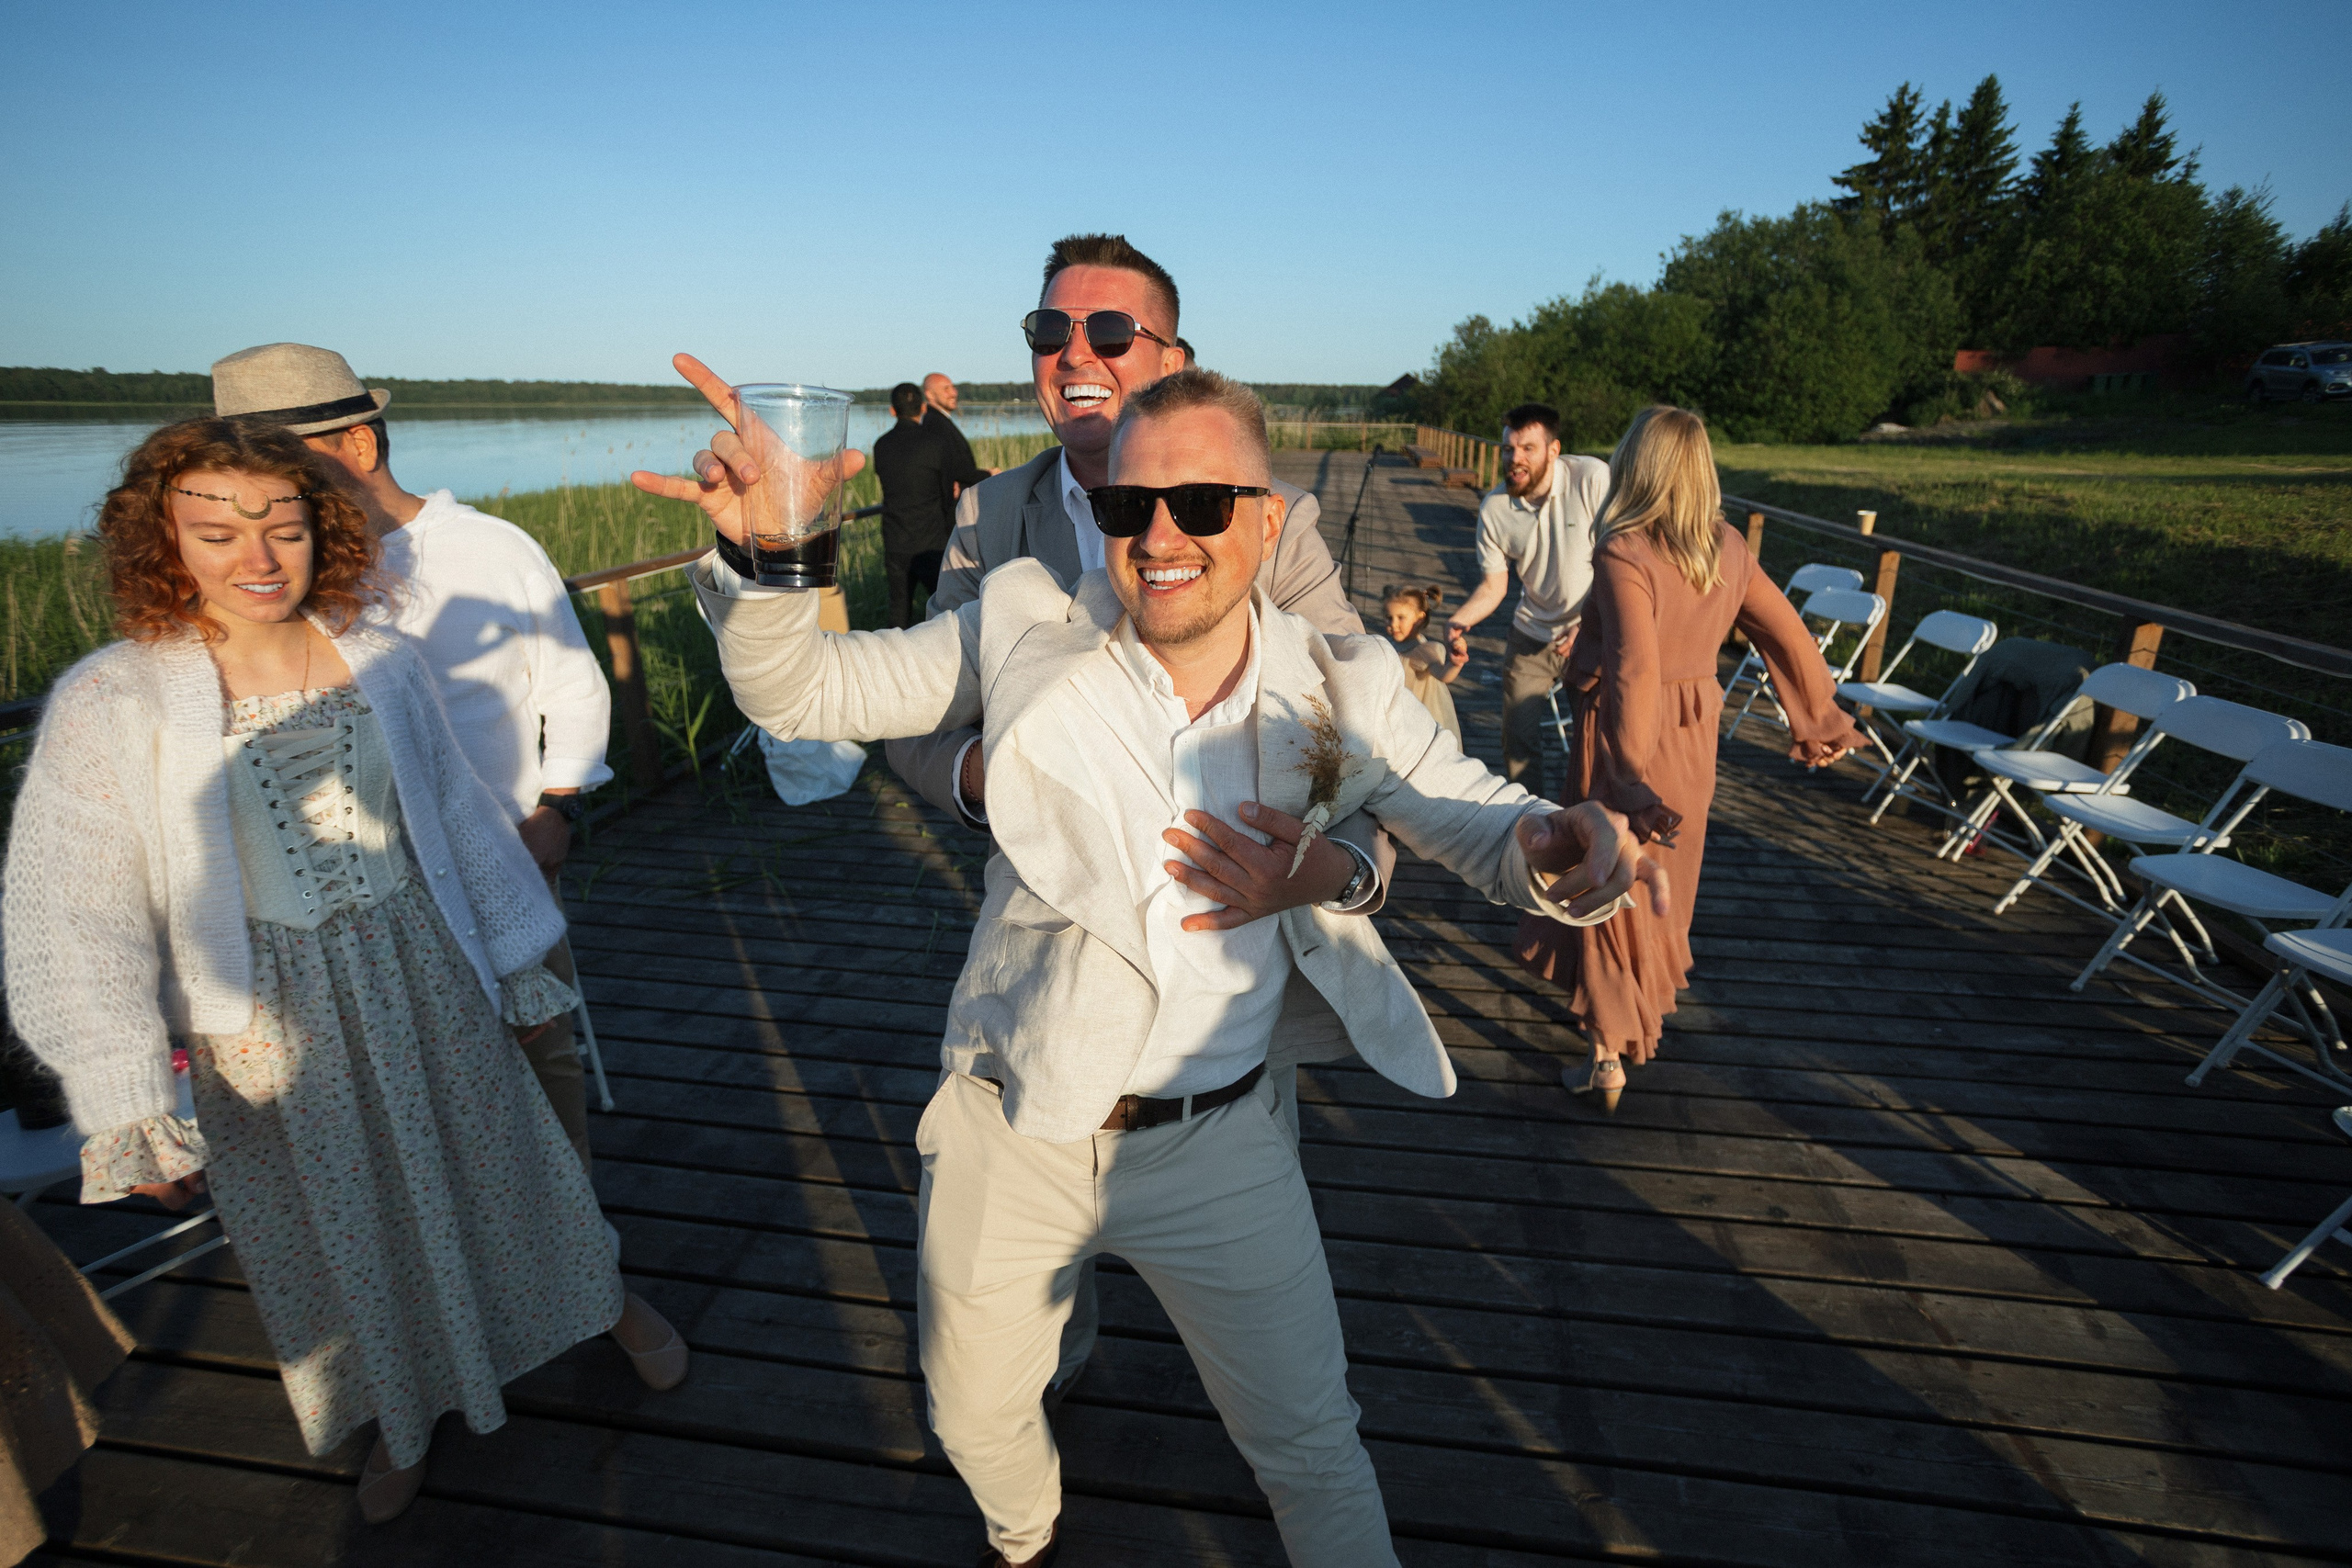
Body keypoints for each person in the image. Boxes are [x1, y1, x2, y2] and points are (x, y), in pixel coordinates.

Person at [644, 363, 1667, 1567]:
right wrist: (775, 556)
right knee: (971, 1415)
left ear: (1268, 520)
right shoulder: (1022, 627)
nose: (1162, 535)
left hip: (1218, 1138)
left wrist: (1560, 840)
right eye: (1130, 505)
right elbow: (807, 689)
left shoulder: (1338, 688)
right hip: (1012, 1123)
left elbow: (1477, 817)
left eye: (1204, 502)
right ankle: (1025, 1535)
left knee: (1312, 1444)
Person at [1, 418, 686, 1526]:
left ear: (321, 527)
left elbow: (455, 821)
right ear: (164, 541)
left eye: (283, 527)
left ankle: (606, 1306)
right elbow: (74, 913)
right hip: (262, 1018)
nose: (258, 558)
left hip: (420, 961)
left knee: (508, 1160)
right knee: (341, 1225)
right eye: (218, 533)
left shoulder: (381, 656)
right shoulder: (113, 699)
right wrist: (124, 1100)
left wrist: (516, 963)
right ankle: (404, 1410)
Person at [211, 342, 612, 1171]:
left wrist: (557, 809)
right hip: (357, 897)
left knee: (537, 1055)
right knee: (406, 1088)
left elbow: (572, 687)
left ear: (359, 444)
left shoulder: (489, 548)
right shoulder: (274, 577)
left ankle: (576, 1231)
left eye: (280, 460)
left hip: (501, 852)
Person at [886, 233, 1362, 831]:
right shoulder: (990, 516)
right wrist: (1002, 772)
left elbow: (1362, 715)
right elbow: (916, 717)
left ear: (1171, 366)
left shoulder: (1271, 517)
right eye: (1050, 332)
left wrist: (1342, 866)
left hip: (1247, 862)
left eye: (1110, 332)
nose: (1074, 355)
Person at [1511, 406, 1865, 1112]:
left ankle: (1606, 1055)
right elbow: (1785, 630)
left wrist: (1627, 775)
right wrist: (1819, 716)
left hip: (1626, 736)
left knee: (1610, 878)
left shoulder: (1625, 549)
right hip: (1695, 735)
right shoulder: (1725, 545)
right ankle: (1624, 1028)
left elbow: (1635, 669)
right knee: (1660, 884)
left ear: (1636, 464)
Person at [1444, 403, 1611, 797]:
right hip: (1531, 633)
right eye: (1508, 449)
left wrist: (1588, 622)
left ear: (1554, 450)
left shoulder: (1592, 479)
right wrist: (1459, 620)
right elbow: (1494, 587)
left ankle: (1586, 821)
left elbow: (1620, 562)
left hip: (1591, 632)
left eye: (1527, 449)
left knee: (1594, 743)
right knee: (1517, 739)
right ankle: (1533, 818)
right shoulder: (1495, 507)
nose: (1515, 459)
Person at [874, 381, 966, 627]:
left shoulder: (881, 445)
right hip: (932, 541)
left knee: (898, 608)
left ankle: (894, 651)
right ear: (923, 407)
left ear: (893, 411)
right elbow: (947, 495)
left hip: (896, 540)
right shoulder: (936, 444)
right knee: (944, 608)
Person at [1382, 583, 1466, 741]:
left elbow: (1443, 674)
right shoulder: (1388, 645)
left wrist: (1455, 664)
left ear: (1419, 619)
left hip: (1418, 725)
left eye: (1401, 618)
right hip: (1395, 718)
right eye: (1389, 617)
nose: (1393, 624)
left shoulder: (1424, 651)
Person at [920, 372, 997, 489]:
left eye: (953, 388)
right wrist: (989, 474)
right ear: (930, 394)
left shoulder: (938, 420)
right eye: (946, 389)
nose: (954, 393)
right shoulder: (936, 423)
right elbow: (953, 468)